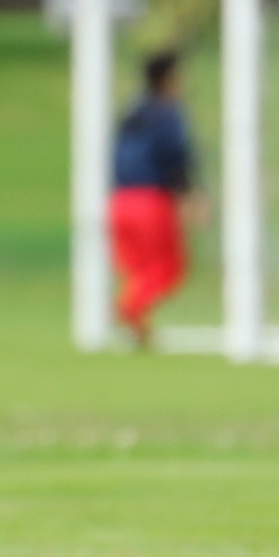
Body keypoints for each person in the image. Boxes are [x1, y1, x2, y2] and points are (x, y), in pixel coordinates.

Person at [111, 50, 200, 347]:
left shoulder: (130, 113)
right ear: (168, 78)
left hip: (119, 201)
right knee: (169, 269)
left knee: (138, 273)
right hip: (150, 201)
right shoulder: (168, 114)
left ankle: (139, 332)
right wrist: (190, 195)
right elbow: (175, 157)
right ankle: (124, 310)